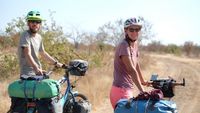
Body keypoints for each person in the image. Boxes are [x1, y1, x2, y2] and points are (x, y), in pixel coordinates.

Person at [110, 17, 149, 108]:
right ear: (125, 30)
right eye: (131, 30)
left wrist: (142, 80)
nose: (135, 32)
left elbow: (136, 64)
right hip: (121, 91)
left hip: (127, 90)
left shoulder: (134, 44)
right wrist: (142, 91)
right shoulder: (124, 45)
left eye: (137, 29)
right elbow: (131, 70)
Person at [18, 10, 63, 78]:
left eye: (37, 22)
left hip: (37, 72)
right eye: (32, 21)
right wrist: (36, 68)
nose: (35, 24)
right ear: (28, 23)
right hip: (27, 74)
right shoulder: (25, 35)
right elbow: (27, 54)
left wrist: (56, 63)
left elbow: (43, 53)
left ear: (40, 24)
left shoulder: (39, 37)